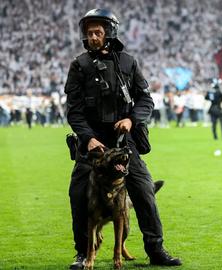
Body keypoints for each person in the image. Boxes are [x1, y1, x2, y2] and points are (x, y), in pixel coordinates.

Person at [64, 9, 181, 269]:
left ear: (109, 32)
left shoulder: (128, 63)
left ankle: (156, 250)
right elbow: (74, 109)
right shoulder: (79, 65)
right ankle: (83, 253)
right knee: (79, 193)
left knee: (144, 191)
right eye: (89, 32)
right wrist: (87, 137)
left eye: (98, 32)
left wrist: (131, 120)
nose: (93, 37)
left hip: (123, 141)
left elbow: (145, 99)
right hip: (92, 144)